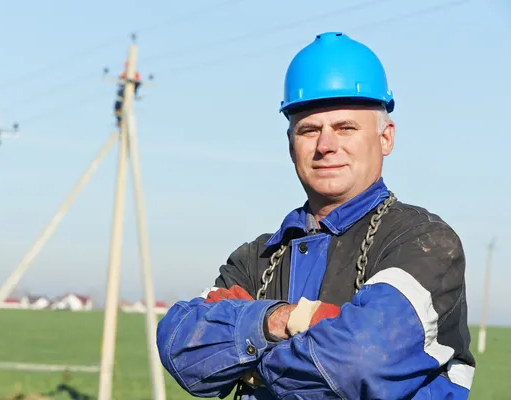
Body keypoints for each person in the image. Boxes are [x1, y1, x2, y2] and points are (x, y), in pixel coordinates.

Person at [156, 31, 476, 399]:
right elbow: (182, 345)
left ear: (386, 137)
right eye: (309, 130)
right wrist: (281, 319)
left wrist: (246, 355)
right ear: (291, 145)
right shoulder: (256, 257)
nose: (326, 146)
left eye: (345, 128)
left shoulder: (424, 243)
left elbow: (359, 362)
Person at [114, 61, 142, 128]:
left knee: (125, 107)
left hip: (130, 93)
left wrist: (133, 82)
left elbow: (138, 82)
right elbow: (120, 81)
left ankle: (122, 120)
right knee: (118, 105)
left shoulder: (135, 74)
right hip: (123, 93)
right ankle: (120, 120)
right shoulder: (124, 73)